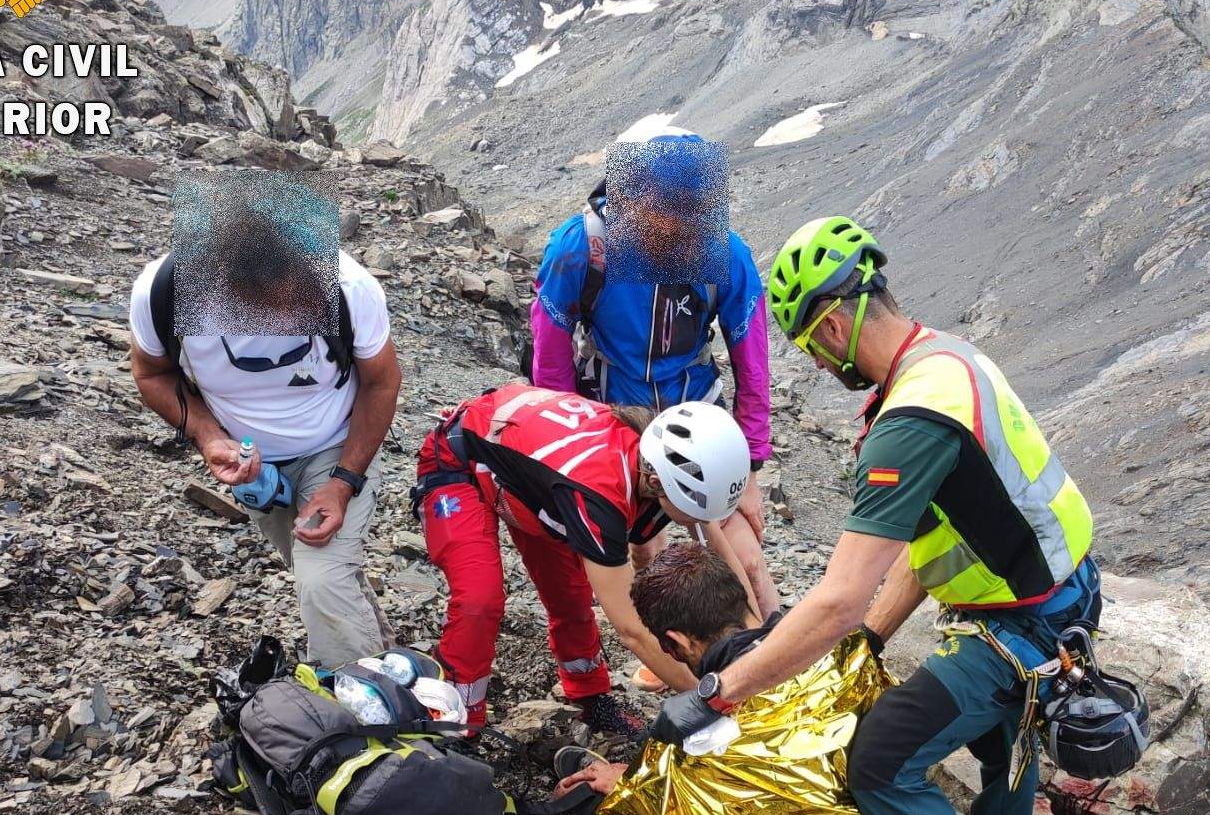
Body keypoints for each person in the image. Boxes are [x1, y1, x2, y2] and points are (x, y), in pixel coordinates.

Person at [646, 216, 1099, 815]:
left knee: (882, 756)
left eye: (812, 346)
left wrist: (720, 690)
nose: (819, 364)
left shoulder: (908, 420)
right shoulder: (947, 360)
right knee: (1001, 722)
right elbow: (927, 553)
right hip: (1058, 595)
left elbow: (839, 596)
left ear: (830, 323)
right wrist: (870, 646)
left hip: (1023, 620)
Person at [129, 196, 402, 668]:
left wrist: (342, 484)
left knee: (322, 579)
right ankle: (391, 667)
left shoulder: (347, 286)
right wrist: (208, 435)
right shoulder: (165, 292)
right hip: (255, 469)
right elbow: (152, 374)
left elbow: (381, 382)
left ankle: (365, 721)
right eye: (272, 312)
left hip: (338, 443)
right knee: (319, 575)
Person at [411, 384, 757, 737]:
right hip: (458, 462)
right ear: (656, 484)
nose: (693, 522)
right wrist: (715, 702)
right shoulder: (599, 496)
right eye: (690, 512)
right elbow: (632, 630)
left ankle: (591, 696)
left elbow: (716, 547)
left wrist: (759, 648)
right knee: (479, 600)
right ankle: (456, 721)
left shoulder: (655, 455)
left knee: (571, 597)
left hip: (531, 476)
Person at [529, 131, 776, 618]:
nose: (679, 224)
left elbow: (753, 365)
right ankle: (679, 652)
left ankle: (775, 651)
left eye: (691, 208)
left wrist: (748, 467)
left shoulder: (726, 254)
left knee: (744, 555)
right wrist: (567, 447)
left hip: (696, 408)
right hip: (615, 414)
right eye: (667, 207)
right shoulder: (582, 248)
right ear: (630, 198)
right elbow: (550, 355)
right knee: (645, 549)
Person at [553, 540, 773, 799]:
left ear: (680, 642)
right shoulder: (817, 647)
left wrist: (633, 785)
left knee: (585, 798)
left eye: (670, 649)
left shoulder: (709, 737)